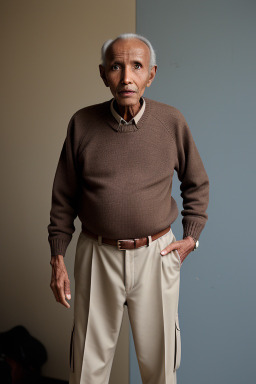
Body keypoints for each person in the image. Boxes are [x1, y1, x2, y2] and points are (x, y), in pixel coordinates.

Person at [48, 33, 209, 384]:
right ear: (103, 73)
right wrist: (58, 257)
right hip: (96, 253)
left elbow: (196, 183)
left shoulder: (171, 122)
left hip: (157, 253)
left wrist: (191, 237)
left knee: (161, 368)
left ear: (151, 74)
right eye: (117, 67)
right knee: (87, 367)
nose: (126, 78)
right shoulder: (81, 124)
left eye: (136, 67)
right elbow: (63, 197)